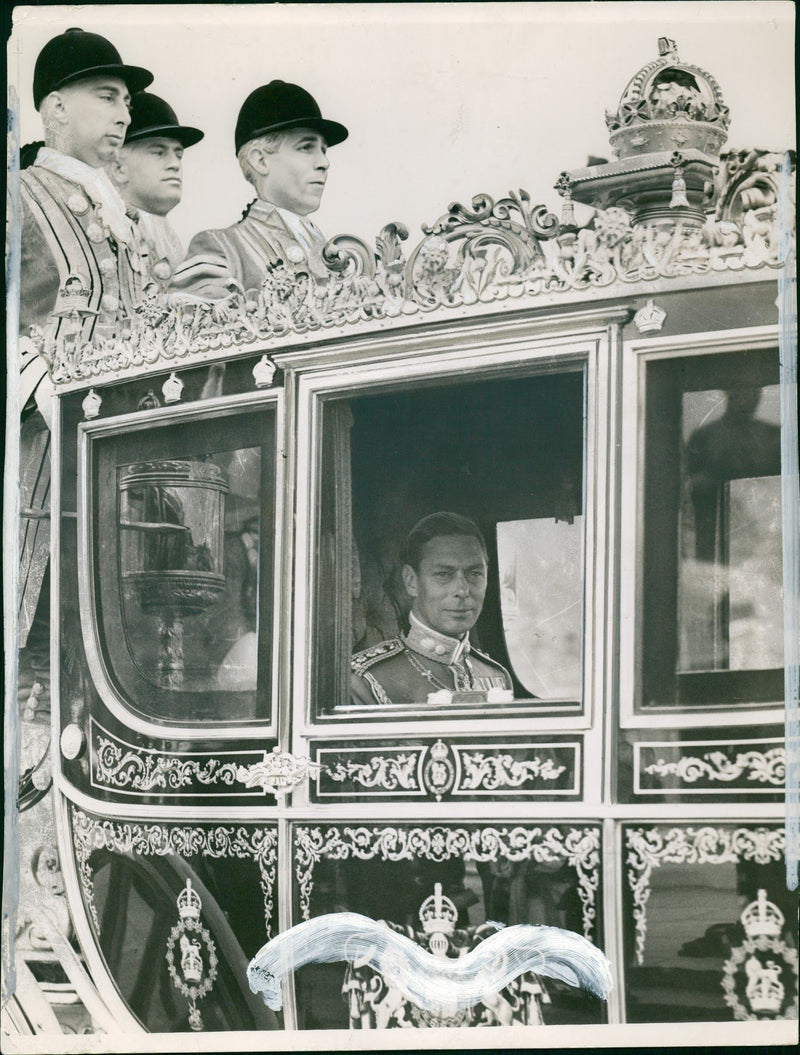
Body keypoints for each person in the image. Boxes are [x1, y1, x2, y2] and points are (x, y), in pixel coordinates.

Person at [16, 27, 153, 681]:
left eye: (127, 101)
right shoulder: (18, 197)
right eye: (107, 95)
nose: (124, 114)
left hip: (121, 487)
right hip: (35, 480)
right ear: (55, 109)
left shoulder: (128, 221)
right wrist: (42, 378)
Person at [171, 79, 348, 301]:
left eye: (323, 150)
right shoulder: (220, 249)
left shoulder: (324, 246)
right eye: (306, 148)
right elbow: (192, 326)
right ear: (260, 160)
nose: (324, 162)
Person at [350, 513, 514, 706]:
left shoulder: (496, 676)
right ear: (411, 581)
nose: (462, 590)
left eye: (475, 573)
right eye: (444, 574)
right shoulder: (366, 680)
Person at [108, 91, 204, 280]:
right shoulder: (103, 238)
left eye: (178, 155)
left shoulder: (177, 244)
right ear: (119, 168)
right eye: (159, 153)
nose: (175, 164)